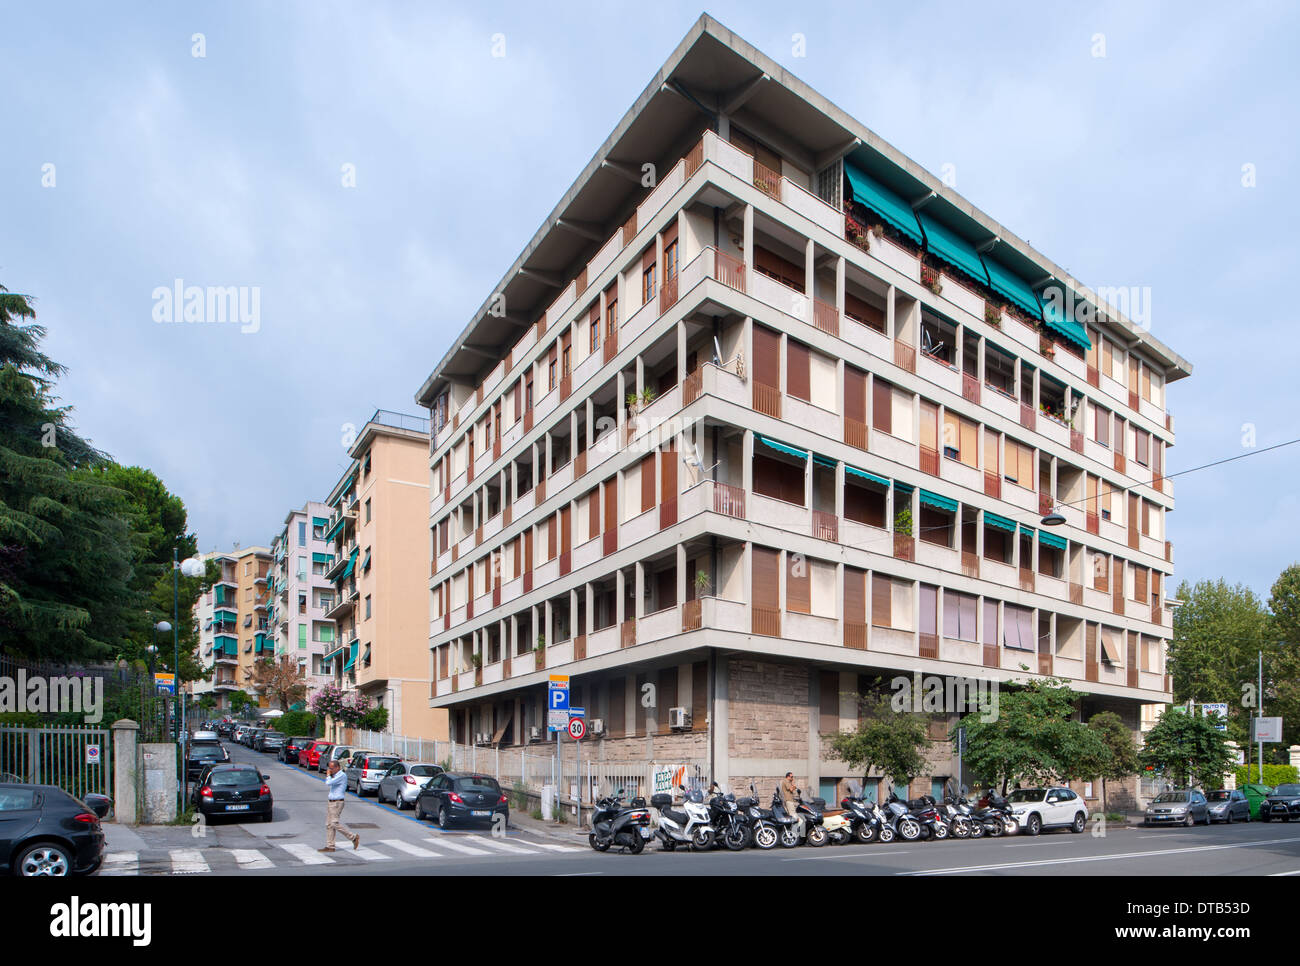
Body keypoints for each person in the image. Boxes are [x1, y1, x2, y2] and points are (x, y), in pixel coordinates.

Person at [321, 760, 360, 852]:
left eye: (331, 768)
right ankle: (330, 846)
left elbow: (328, 783)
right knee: (329, 825)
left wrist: (328, 775)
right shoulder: (335, 775)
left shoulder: (341, 775)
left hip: (337, 803)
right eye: (329, 768)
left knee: (334, 823)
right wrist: (330, 775)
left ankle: (353, 837)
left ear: (337, 767)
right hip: (331, 802)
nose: (330, 770)